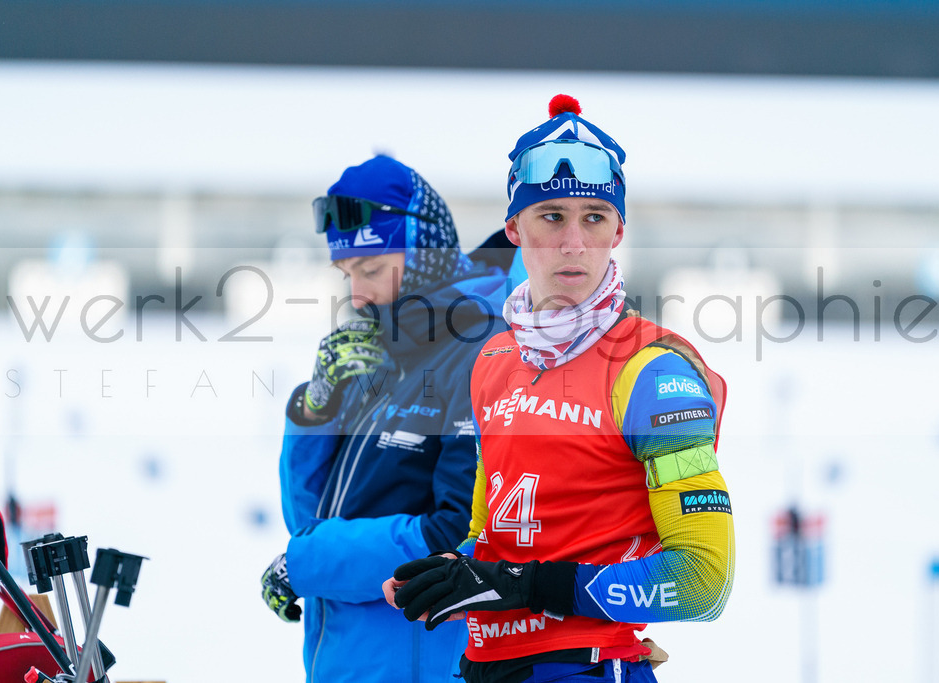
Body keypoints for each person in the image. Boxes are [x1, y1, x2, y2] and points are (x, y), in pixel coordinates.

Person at [384, 95, 735, 683]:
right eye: (551, 216)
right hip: (485, 670)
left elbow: (704, 580)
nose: (573, 242)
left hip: (588, 669)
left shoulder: (654, 372)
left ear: (617, 229)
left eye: (594, 217)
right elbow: (489, 537)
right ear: (514, 227)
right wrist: (452, 571)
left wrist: (525, 587)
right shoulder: (493, 360)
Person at [260, 154, 520, 683]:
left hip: (420, 659)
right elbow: (309, 525)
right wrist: (319, 405)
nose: (357, 295)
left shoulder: (480, 352)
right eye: (348, 273)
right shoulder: (387, 347)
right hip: (348, 660)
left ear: (424, 254)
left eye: (372, 270)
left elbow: (458, 535)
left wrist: (305, 565)